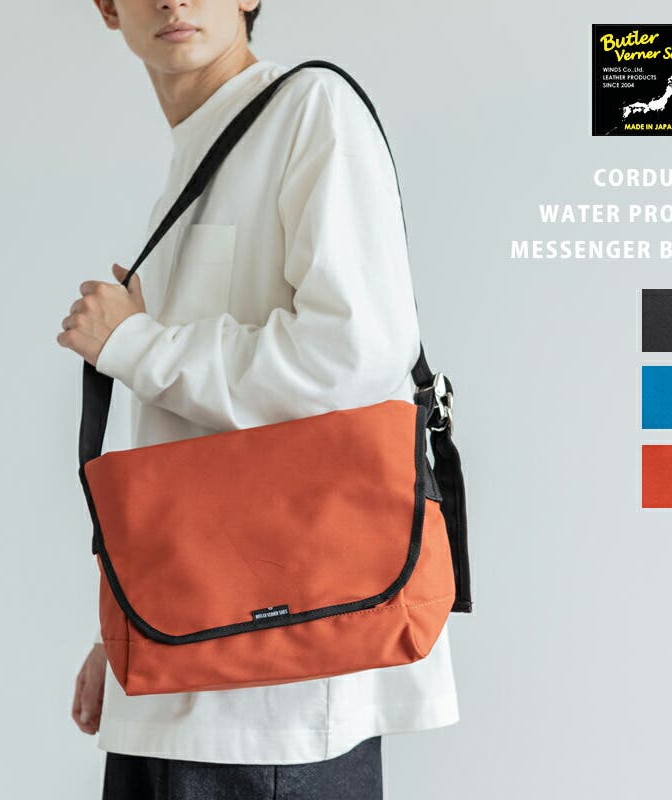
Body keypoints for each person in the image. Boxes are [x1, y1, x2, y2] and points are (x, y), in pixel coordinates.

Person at [57, 1, 460, 797]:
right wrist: (131, 624)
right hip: (182, 662)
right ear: (106, 6)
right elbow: (193, 449)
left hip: (277, 706)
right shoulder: (197, 157)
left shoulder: (310, 111)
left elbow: (354, 353)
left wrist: (135, 344)